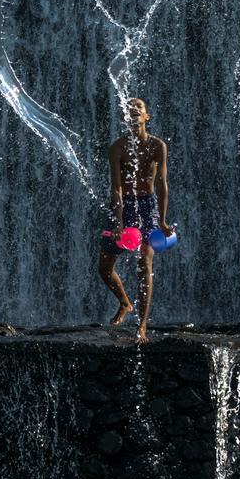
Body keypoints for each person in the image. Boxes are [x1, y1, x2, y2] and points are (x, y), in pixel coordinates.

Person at [98, 98, 174, 344]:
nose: (133, 110)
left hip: (147, 206)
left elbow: (162, 185)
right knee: (105, 268)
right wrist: (119, 222)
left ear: (146, 116)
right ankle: (125, 303)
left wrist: (162, 221)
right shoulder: (117, 148)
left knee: (145, 261)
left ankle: (142, 325)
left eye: (138, 108)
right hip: (124, 206)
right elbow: (117, 189)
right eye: (128, 109)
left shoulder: (157, 146)